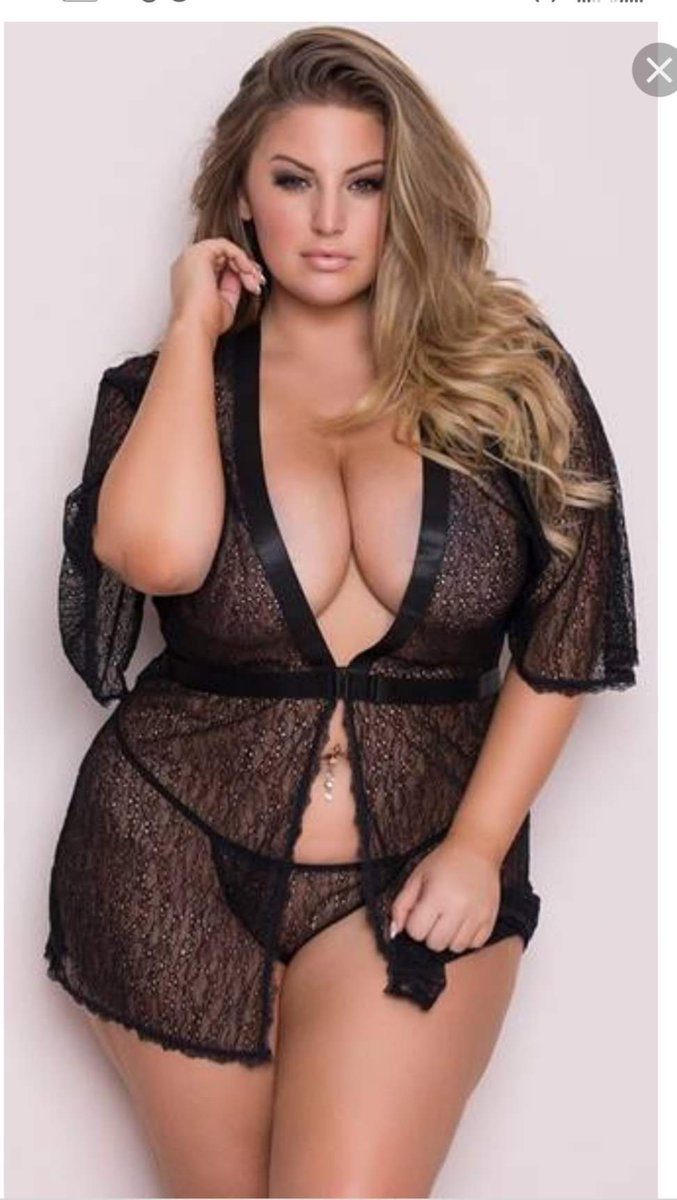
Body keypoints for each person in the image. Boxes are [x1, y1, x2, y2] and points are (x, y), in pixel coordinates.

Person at [43, 24, 639, 1200]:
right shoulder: (169, 389)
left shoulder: (506, 377)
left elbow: (566, 628)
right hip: (167, 855)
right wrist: (190, 327)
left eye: (363, 184)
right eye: (291, 181)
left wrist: (477, 846)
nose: (327, 221)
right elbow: (153, 553)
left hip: (418, 864)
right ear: (241, 195)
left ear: (402, 197)